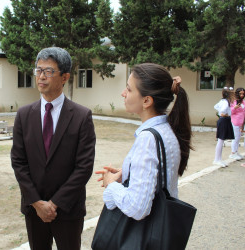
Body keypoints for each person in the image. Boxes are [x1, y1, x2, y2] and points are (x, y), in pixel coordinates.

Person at [11, 47, 96, 250]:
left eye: (48, 71)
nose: (41, 76)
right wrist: (38, 203)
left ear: (65, 76)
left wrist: (55, 203)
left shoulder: (81, 116)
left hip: (68, 210)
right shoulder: (24, 115)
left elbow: (84, 167)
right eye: (38, 70)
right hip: (34, 208)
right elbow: (18, 162)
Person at [96, 63, 192, 223]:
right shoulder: (166, 130)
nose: (123, 93)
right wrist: (128, 172)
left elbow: (137, 207)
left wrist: (111, 184)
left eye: (129, 89)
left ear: (146, 100)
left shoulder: (148, 139)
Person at [213, 87, 235, 167]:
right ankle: (217, 159)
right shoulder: (225, 102)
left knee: (221, 141)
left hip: (223, 120)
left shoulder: (223, 101)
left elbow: (215, 106)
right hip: (224, 120)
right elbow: (223, 109)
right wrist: (223, 113)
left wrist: (221, 112)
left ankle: (218, 158)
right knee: (220, 140)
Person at [229, 87, 245, 160]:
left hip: (241, 122)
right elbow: (230, 111)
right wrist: (234, 108)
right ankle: (232, 153)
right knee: (235, 138)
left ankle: (236, 151)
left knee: (238, 138)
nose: (242, 95)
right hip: (235, 121)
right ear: (237, 93)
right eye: (240, 93)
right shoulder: (234, 102)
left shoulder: (243, 102)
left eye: (243, 94)